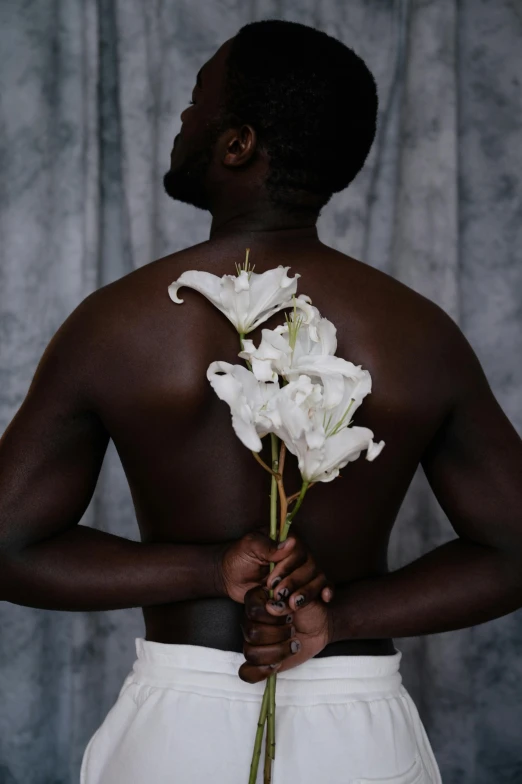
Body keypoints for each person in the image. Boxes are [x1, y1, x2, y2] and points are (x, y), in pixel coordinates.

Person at [1, 18, 521, 784]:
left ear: (238, 144)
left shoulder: (120, 322)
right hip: (360, 729)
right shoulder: (419, 334)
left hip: (178, 732)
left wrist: (210, 571)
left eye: (195, 103)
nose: (182, 120)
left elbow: (7, 545)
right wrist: (338, 620)